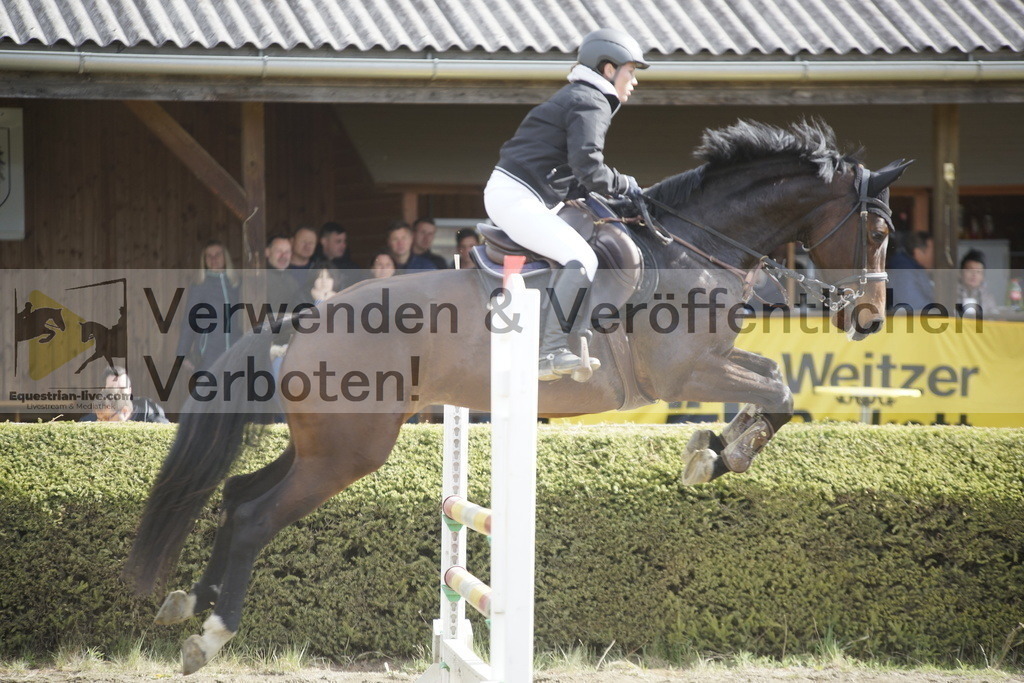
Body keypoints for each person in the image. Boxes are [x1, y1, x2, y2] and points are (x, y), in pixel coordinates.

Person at [482, 27, 648, 381]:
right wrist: (626, 184)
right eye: (630, 72)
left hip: (527, 193)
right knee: (582, 258)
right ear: (608, 69)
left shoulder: (582, 96)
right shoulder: (591, 100)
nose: (633, 81)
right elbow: (590, 169)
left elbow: (576, 172)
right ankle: (550, 352)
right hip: (517, 195)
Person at [175, 240, 241, 372]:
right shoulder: (200, 286)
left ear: (225, 257)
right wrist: (182, 353)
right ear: (204, 260)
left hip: (236, 351)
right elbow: (190, 321)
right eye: (209, 256)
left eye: (218, 254)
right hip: (208, 353)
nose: (214, 259)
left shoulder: (236, 284)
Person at [80, 365, 169, 423]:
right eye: (112, 388)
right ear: (103, 391)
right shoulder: (90, 420)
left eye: (122, 388)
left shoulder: (149, 412)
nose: (118, 392)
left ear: (130, 390)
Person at [887, 231, 935, 312]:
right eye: (933, 252)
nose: (935, 256)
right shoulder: (903, 273)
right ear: (918, 253)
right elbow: (917, 308)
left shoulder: (915, 269)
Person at [957, 249, 997, 317]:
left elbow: (995, 318)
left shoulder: (987, 298)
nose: (974, 275)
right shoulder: (951, 295)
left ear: (983, 276)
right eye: (970, 270)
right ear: (960, 273)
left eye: (978, 271)